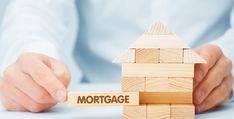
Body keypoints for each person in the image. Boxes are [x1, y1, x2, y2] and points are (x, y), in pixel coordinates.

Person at [0, 0, 233, 113]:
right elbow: (37, 7)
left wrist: (227, 62)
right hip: (92, 98)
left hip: (214, 101)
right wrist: (32, 57)